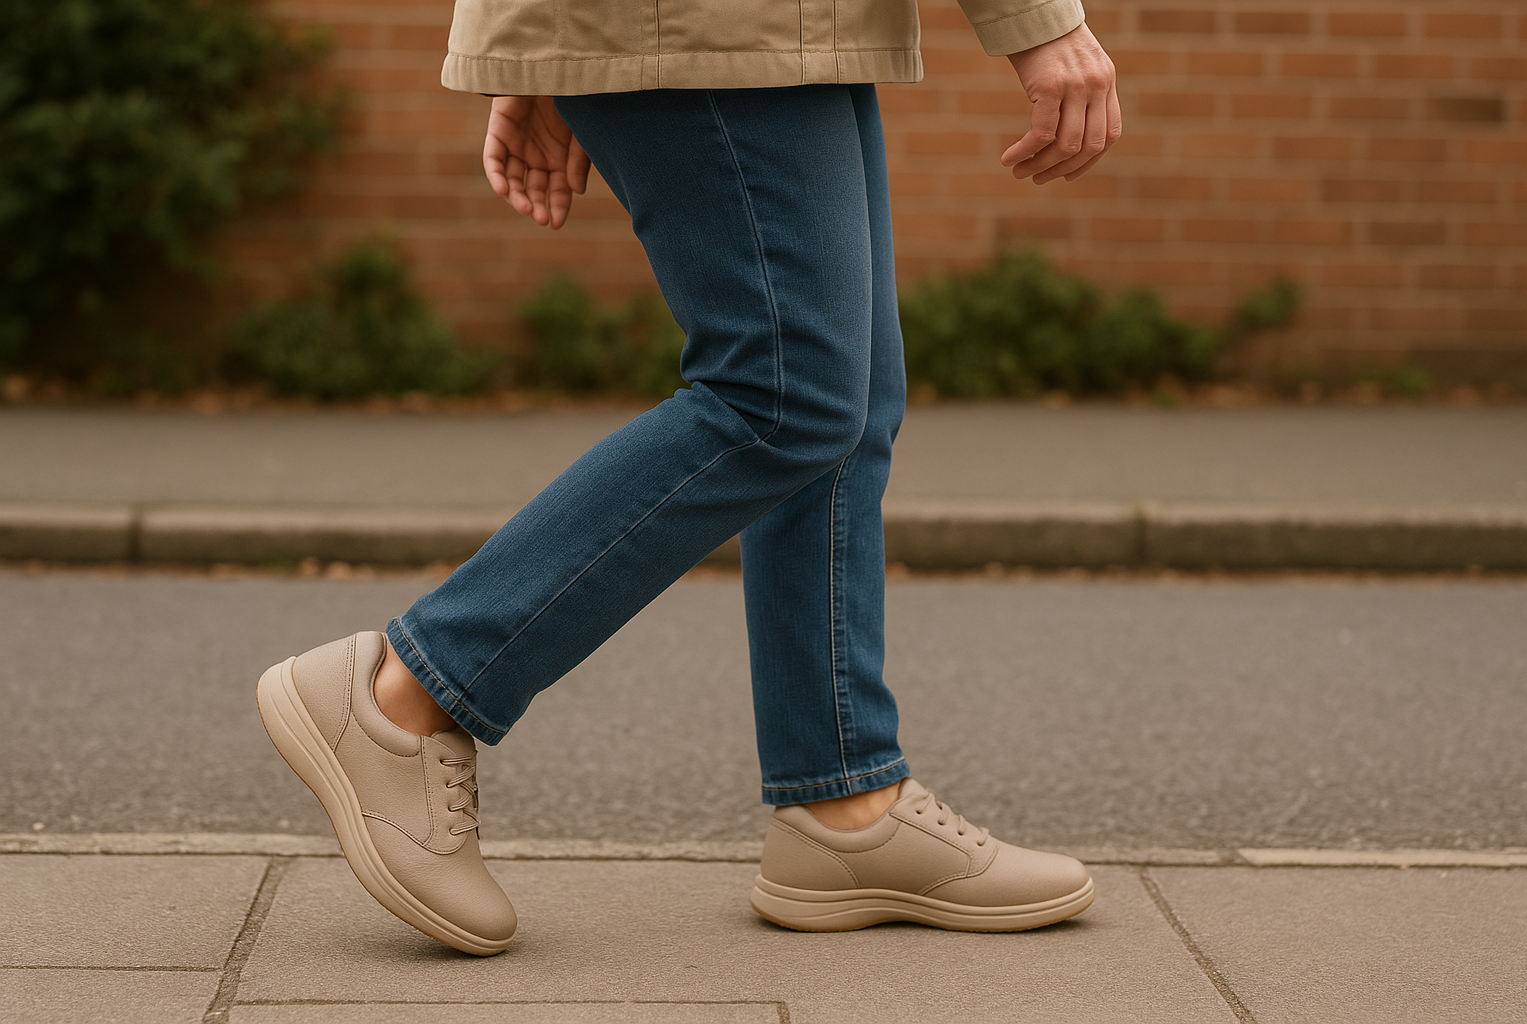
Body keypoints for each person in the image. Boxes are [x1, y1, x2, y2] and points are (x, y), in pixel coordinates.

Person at [256, 0, 1120, 955]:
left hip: (752, 22)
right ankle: (406, 697)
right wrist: (1038, 20)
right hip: (714, 20)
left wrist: (542, 44)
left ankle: (845, 802)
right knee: (783, 397)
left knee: (846, 403)